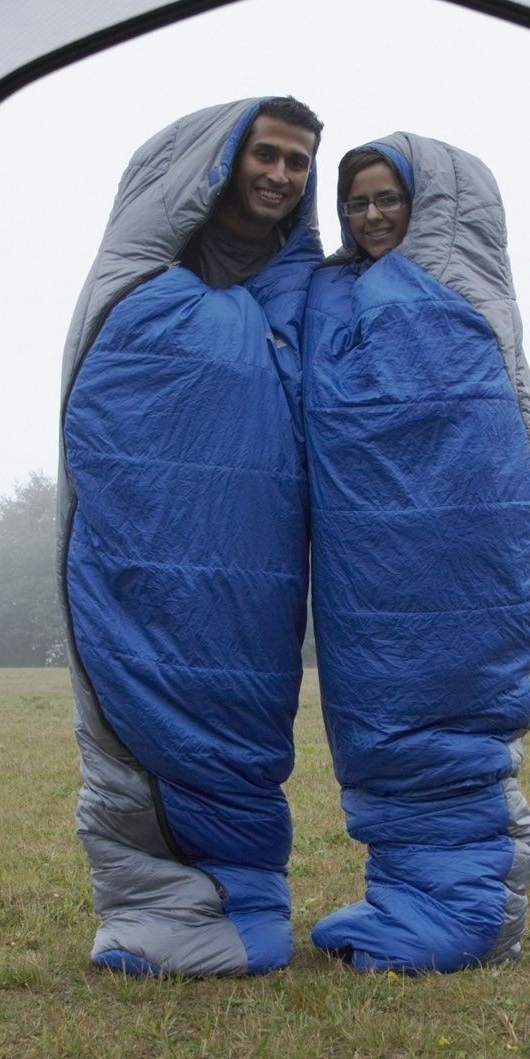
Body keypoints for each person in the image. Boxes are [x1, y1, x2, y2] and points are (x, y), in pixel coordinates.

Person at [58, 97, 322, 976]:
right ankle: (166, 904)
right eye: (267, 155)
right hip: (148, 540)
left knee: (243, 697)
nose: (281, 176)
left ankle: (242, 899)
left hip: (254, 552)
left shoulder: (299, 294)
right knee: (140, 697)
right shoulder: (137, 281)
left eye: (297, 163)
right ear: (216, 164)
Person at [301, 135, 530, 973]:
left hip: (451, 537)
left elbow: (482, 416)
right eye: (357, 203)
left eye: (388, 200)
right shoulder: (335, 292)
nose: (371, 218)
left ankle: (469, 906)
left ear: (431, 206)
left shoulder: (458, 291)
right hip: (363, 545)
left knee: (441, 696)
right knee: (375, 707)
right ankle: (412, 892)